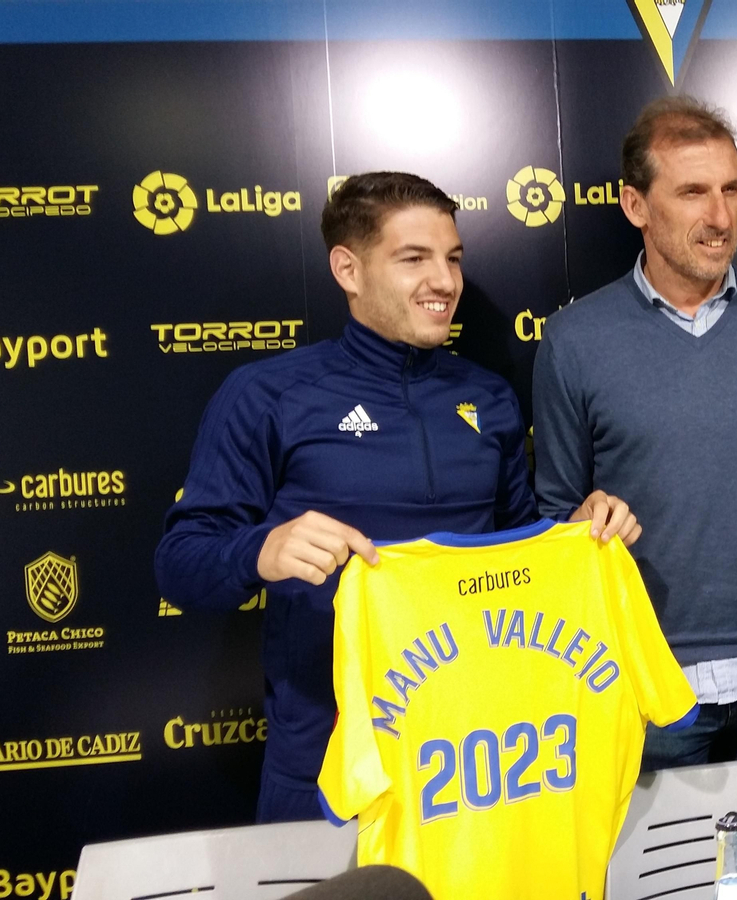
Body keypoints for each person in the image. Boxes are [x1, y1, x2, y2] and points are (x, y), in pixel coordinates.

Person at [155, 172, 637, 822]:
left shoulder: (489, 395)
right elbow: (180, 565)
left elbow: (519, 550)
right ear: (348, 270)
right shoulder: (266, 395)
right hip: (327, 767)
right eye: (414, 259)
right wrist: (261, 550)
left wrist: (575, 537)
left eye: (453, 258)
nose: (444, 281)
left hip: (480, 759)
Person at [532, 97, 737, 770]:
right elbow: (554, 513)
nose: (721, 217)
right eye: (693, 192)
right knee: (658, 878)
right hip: (644, 686)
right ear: (635, 205)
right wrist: (583, 521)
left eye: (732, 189)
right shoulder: (573, 340)